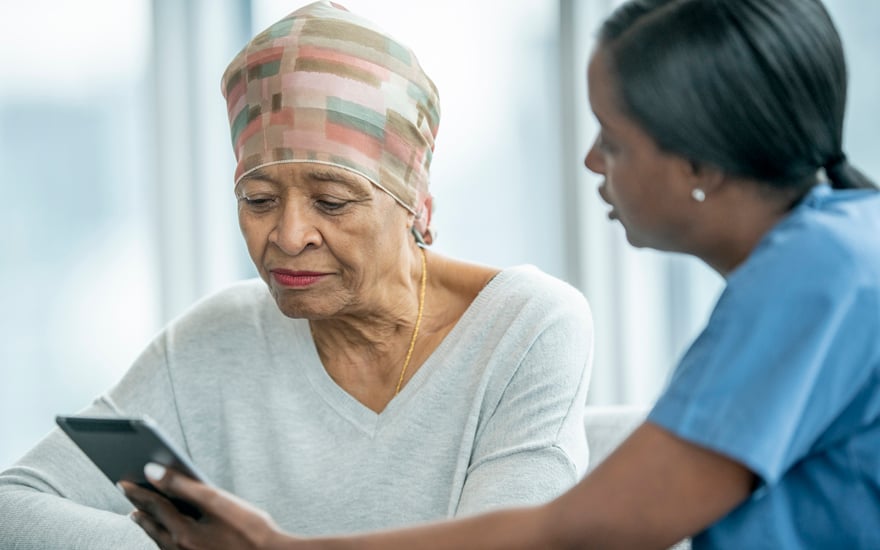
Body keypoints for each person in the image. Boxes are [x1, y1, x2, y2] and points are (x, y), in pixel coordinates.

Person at [121, 0, 880, 548]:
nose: (590, 162)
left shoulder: (818, 279)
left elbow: (581, 529)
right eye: (258, 198)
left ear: (700, 164)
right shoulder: (838, 251)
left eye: (613, 141)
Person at [0, 2, 594, 548]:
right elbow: (14, 505)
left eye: (332, 202)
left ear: (418, 207)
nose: (287, 236)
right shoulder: (215, 338)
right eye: (258, 201)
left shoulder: (526, 326)